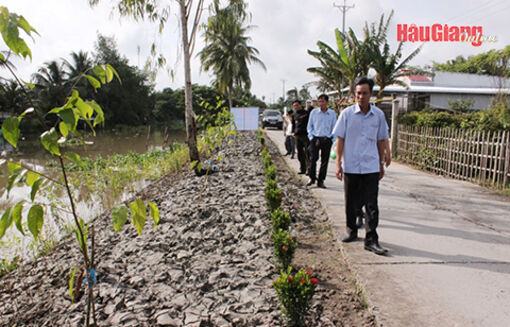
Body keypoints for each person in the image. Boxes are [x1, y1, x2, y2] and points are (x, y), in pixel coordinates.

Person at [333, 77, 391, 255]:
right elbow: (340, 140)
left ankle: (371, 239)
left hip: (370, 166)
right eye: (358, 93)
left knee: (371, 204)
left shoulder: (378, 115)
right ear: (354, 94)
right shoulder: (347, 114)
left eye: (364, 93)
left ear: (371, 94)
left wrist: (382, 161)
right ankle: (351, 230)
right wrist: (338, 164)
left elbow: (382, 139)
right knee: (351, 202)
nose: (361, 96)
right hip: (351, 165)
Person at [306, 94, 337, 188]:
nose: (321, 103)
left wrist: (332, 139)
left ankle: (321, 180)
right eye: (319, 101)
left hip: (326, 139)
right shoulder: (314, 112)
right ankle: (312, 178)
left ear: (327, 102)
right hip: (315, 138)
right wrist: (311, 137)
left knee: (324, 161)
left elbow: (334, 127)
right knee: (313, 159)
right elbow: (309, 126)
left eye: (323, 101)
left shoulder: (332, 113)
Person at [291, 100, 310, 174]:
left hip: (305, 135)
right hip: (297, 136)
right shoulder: (294, 114)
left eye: (297, 105)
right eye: (294, 106)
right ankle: (302, 169)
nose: (295, 107)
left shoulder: (306, 113)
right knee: (300, 153)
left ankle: (309, 169)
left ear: (300, 105)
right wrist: (293, 132)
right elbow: (293, 124)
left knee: (307, 153)